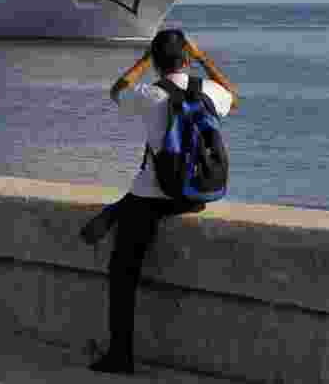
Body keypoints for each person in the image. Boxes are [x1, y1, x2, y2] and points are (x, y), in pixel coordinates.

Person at [81, 29, 238, 374]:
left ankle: (120, 355)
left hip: (152, 197)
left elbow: (116, 91)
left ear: (156, 61)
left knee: (123, 271)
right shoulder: (208, 91)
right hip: (195, 195)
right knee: (139, 201)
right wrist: (203, 59)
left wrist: (142, 61)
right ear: (186, 57)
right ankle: (115, 211)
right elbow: (233, 97)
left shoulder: (150, 94)